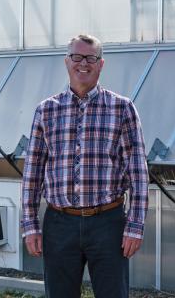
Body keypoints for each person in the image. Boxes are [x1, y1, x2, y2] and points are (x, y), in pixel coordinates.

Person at [20, 34, 149, 298]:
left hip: (108, 223)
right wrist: (30, 225)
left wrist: (135, 225)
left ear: (101, 64)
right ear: (67, 62)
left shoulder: (122, 108)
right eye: (77, 57)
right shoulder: (46, 111)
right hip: (59, 222)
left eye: (91, 58)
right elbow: (32, 173)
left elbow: (138, 172)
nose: (84, 63)